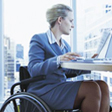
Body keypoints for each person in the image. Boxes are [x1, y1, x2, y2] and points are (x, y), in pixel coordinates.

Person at [27, 4, 110, 112]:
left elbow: (68, 71)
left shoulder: (65, 45)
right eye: (71, 21)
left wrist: (91, 62)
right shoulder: (39, 39)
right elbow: (33, 69)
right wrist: (58, 59)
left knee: (102, 85)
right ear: (60, 20)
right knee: (91, 88)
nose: (73, 25)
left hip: (59, 86)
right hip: (43, 90)